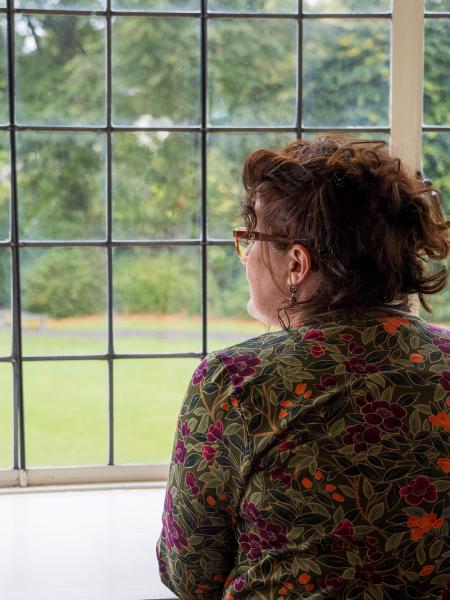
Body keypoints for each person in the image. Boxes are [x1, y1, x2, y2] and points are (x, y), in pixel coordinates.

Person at [156, 135, 450, 599]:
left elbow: (191, 574)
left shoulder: (237, 380)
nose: (246, 258)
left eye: (250, 239)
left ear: (297, 264)